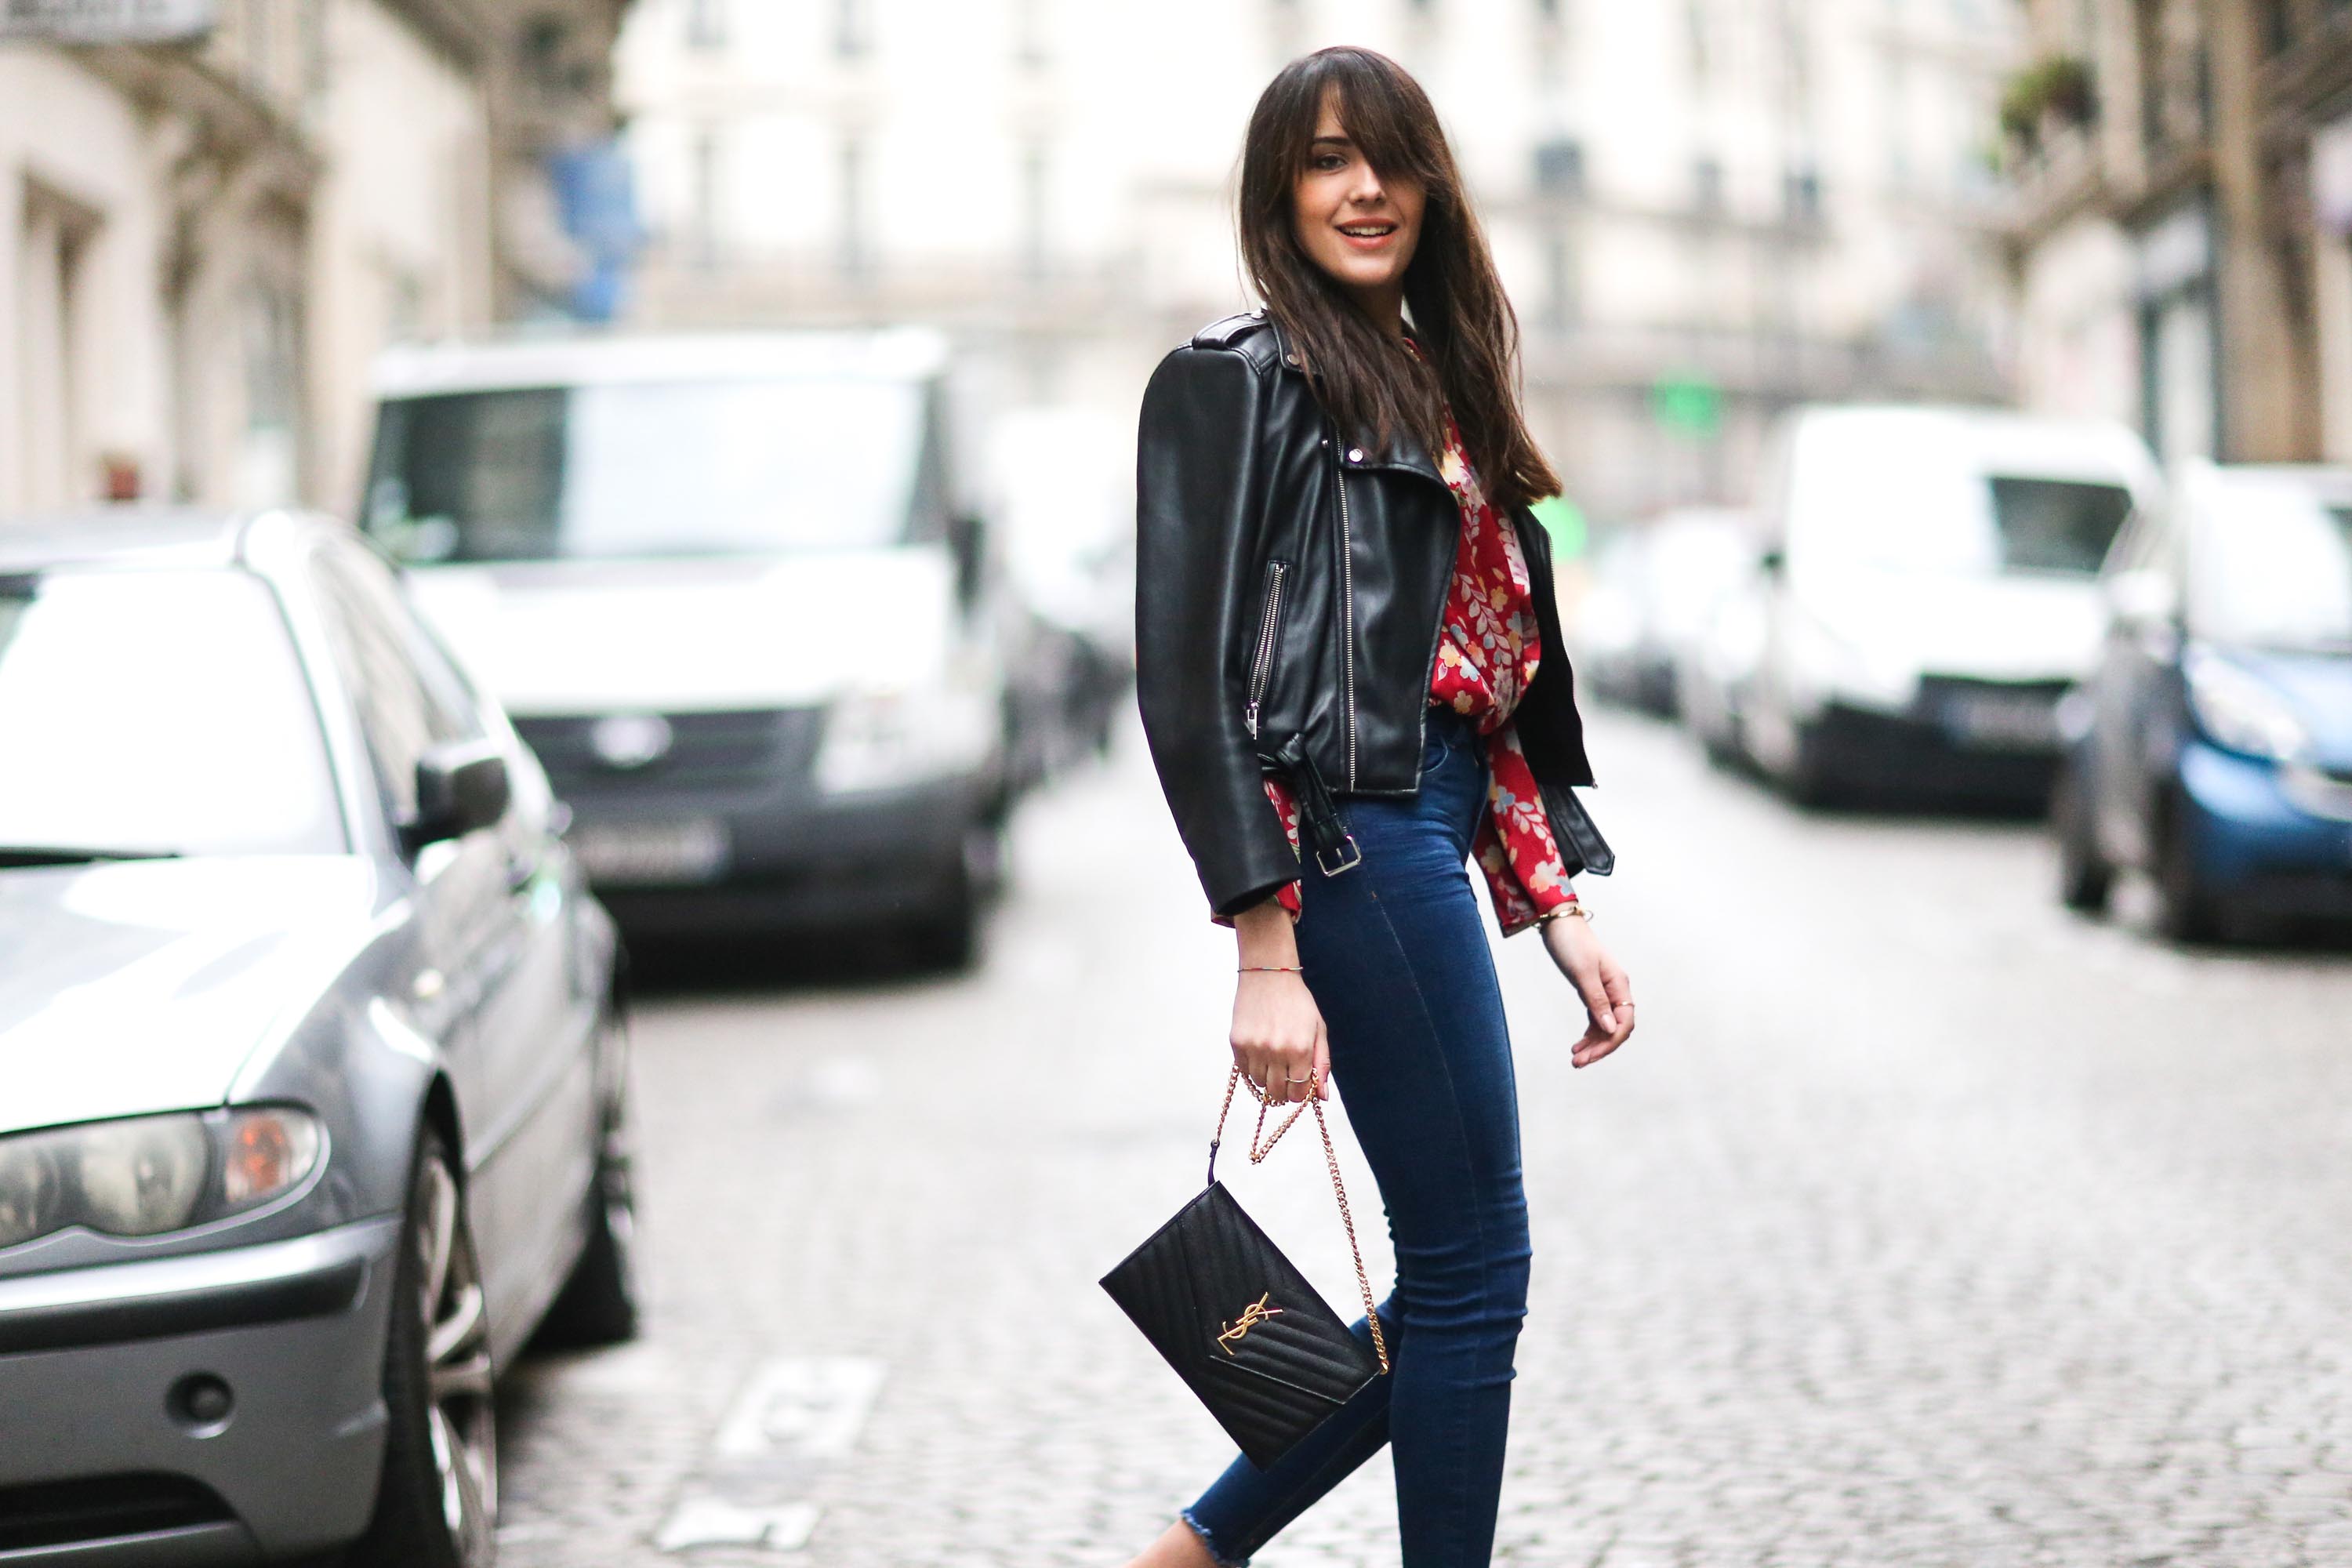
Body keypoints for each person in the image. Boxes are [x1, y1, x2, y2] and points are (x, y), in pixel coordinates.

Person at [1126, 45, 1639, 1568]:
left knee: (1460, 1272)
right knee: (1476, 1263)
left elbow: (1480, 679)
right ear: (1280, 191)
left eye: (1390, 159)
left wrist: (1557, 902)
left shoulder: (1436, 386)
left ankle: (1194, 1552)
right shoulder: (1236, 386)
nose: (1363, 189)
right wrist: (1262, 944)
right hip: (1351, 844)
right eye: (1328, 160)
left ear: (1431, 185)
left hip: (1422, 825)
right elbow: (1191, 687)